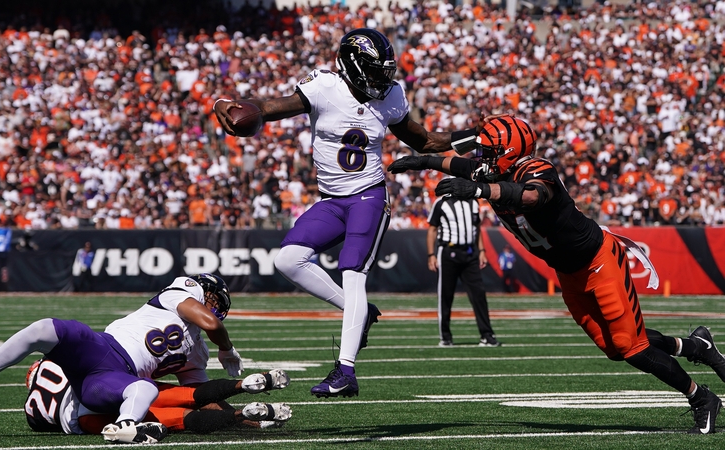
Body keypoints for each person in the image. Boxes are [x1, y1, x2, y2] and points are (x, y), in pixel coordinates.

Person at [387, 114, 725, 434]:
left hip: (600, 261)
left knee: (631, 346)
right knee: (614, 347)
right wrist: (424, 162)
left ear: (508, 153)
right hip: (568, 273)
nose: (482, 158)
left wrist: (480, 191)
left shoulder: (537, 168)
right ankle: (696, 346)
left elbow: (533, 196)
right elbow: (460, 164)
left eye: (489, 152)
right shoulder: (492, 170)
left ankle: (701, 397)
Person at [214, 28, 463, 398]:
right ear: (351, 64)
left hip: (368, 197)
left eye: (385, 70)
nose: (382, 78)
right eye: (374, 69)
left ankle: (345, 370)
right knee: (288, 259)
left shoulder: (392, 96)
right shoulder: (324, 87)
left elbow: (425, 141)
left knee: (352, 273)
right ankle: (360, 311)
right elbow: (267, 108)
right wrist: (229, 104)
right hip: (331, 200)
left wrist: (473, 135)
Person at [0, 273, 245, 444]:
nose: (215, 308)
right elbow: (211, 323)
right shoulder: (180, 291)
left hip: (114, 376)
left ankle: (125, 427)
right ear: (201, 290)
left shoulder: (198, 351)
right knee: (43, 328)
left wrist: (241, 416)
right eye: (213, 299)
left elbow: (198, 397)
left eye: (220, 305)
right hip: (100, 346)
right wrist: (227, 349)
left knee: (144, 391)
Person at [24, 358, 291, 436]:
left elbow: (44, 424)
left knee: (181, 420)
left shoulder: (31, 411)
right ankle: (243, 384)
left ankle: (239, 415)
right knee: (189, 394)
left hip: (82, 419)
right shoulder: (53, 363)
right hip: (101, 389)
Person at [426, 195, 499, 347]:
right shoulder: (441, 202)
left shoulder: (473, 202)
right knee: (446, 296)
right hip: (447, 252)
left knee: (479, 295)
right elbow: (432, 228)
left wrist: (482, 250)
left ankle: (487, 335)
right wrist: (431, 254)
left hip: (470, 253)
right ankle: (445, 337)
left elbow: (477, 227)